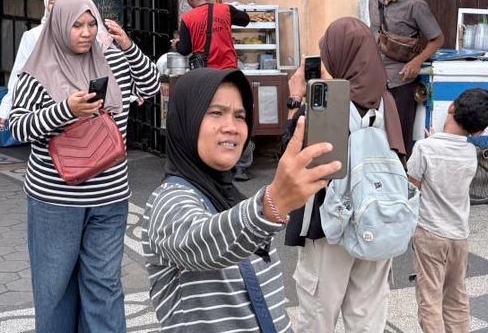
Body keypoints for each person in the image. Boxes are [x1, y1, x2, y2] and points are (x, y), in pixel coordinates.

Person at [143, 67, 341, 332]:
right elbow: (201, 243)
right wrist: (272, 203)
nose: (231, 127)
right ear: (186, 121)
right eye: (216, 113)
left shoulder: (230, 198)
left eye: (240, 116)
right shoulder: (168, 201)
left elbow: (270, 307)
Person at [7, 0, 161, 333]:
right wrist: (67, 111)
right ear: (60, 26)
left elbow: (150, 86)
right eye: (77, 25)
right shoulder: (38, 72)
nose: (86, 32)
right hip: (56, 201)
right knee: (55, 287)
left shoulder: (113, 61)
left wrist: (130, 47)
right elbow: (19, 126)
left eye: (92, 24)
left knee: (104, 286)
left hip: (110, 197)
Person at [283, 17, 406, 333]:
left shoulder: (327, 104)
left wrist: (295, 99)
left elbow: (291, 159)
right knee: (367, 318)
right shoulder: (385, 99)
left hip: (330, 227)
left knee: (317, 318)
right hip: (377, 222)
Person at [407, 87, 488, 333]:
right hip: (459, 235)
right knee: (456, 295)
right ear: (479, 131)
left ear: (451, 108)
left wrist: (431, 141)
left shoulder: (424, 148)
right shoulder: (470, 153)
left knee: (430, 296)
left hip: (430, 233)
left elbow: (412, 187)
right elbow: (450, 160)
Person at [174, 0, 256, 180]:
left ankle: (210, 161)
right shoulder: (225, 10)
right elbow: (245, 19)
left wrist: (176, 44)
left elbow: (185, 50)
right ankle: (242, 166)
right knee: (237, 116)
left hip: (206, 76)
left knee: (209, 117)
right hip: (230, 73)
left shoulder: (188, 19)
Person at [364, 0, 444, 154]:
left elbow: (437, 39)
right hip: (377, 78)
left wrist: (417, 62)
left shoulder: (415, 5)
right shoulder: (373, 1)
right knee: (374, 132)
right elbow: (373, 35)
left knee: (399, 135)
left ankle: (403, 175)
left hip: (402, 79)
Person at [0, 0, 69, 129]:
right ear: (46, 5)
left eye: (63, 1)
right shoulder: (34, 36)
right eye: (52, 1)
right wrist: (6, 105)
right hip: (44, 101)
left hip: (75, 99)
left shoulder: (80, 33)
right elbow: (20, 72)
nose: (57, 6)